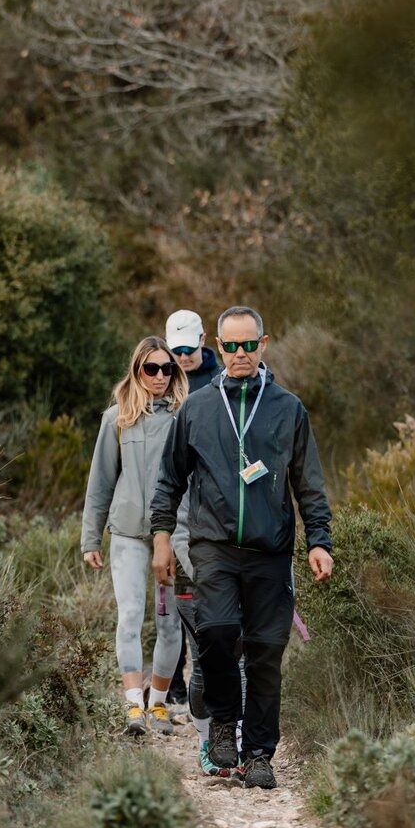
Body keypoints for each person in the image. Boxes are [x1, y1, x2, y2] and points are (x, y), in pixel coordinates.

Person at [150, 306, 333, 788]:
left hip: (270, 551)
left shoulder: (288, 408)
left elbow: (308, 484)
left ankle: (258, 754)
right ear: (219, 344)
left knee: (266, 652)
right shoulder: (197, 408)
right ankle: (223, 727)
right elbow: (169, 481)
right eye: (230, 346)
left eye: (249, 345)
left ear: (263, 345)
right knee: (216, 632)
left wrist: (320, 541)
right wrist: (162, 539)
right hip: (212, 547)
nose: (239, 354)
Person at [81, 337, 189, 737]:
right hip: (126, 533)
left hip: (171, 537)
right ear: (137, 370)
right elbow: (101, 480)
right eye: (152, 368)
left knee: (168, 623)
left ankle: (158, 705)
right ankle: (132, 708)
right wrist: (90, 538)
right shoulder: (116, 419)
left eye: (167, 369)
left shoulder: (184, 417)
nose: (160, 376)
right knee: (128, 618)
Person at [164, 310, 220, 712]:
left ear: (203, 340)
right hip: (176, 497)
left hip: (212, 501)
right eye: (176, 350)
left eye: (189, 348)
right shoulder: (163, 379)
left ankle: (204, 681)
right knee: (178, 593)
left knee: (205, 594)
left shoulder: (220, 381)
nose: (183, 357)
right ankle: (177, 681)